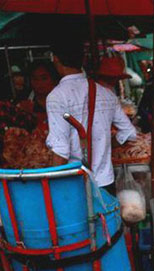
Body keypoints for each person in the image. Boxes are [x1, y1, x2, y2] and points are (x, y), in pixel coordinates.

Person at [46, 39, 136, 193]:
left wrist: (56, 190)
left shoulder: (57, 96)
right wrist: (106, 141)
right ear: (82, 59)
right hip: (106, 183)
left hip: (76, 183)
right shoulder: (106, 94)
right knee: (106, 217)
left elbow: (61, 149)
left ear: (55, 59)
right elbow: (129, 134)